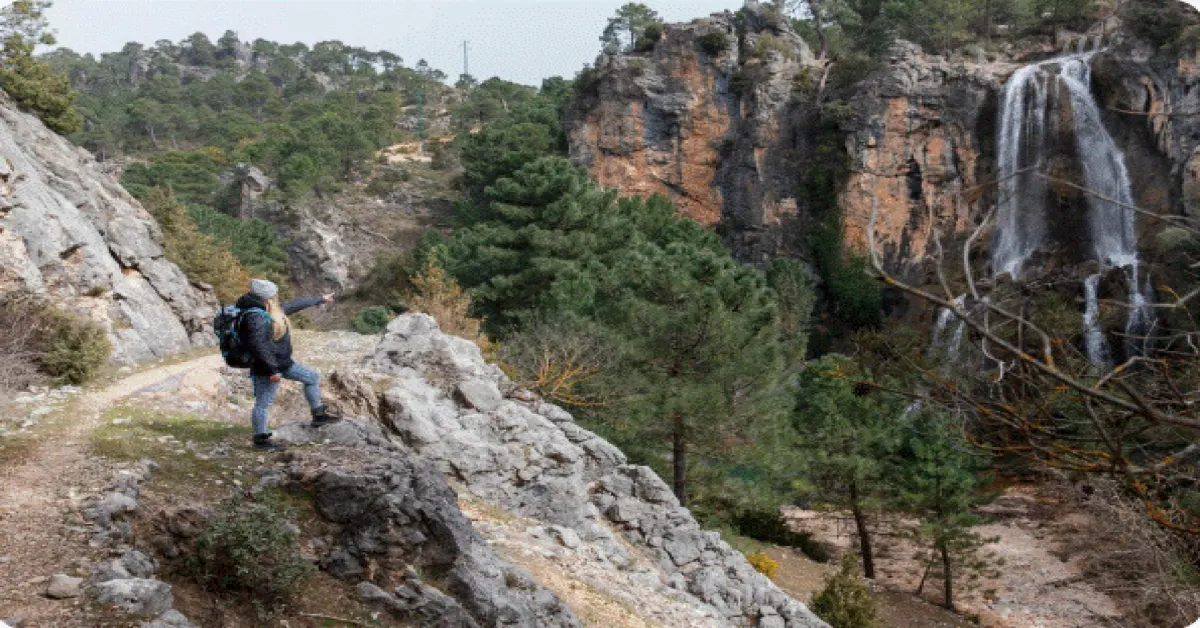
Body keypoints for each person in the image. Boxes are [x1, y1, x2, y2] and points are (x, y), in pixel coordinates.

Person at [237, 279, 341, 451]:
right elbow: (258, 346)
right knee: (263, 403)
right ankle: (260, 439)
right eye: (274, 294)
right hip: (267, 367)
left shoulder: (270, 310)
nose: (277, 296)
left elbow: (294, 305)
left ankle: (319, 415)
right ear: (267, 297)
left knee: (312, 377)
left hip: (282, 363)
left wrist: (320, 299)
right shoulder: (254, 316)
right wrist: (272, 370)